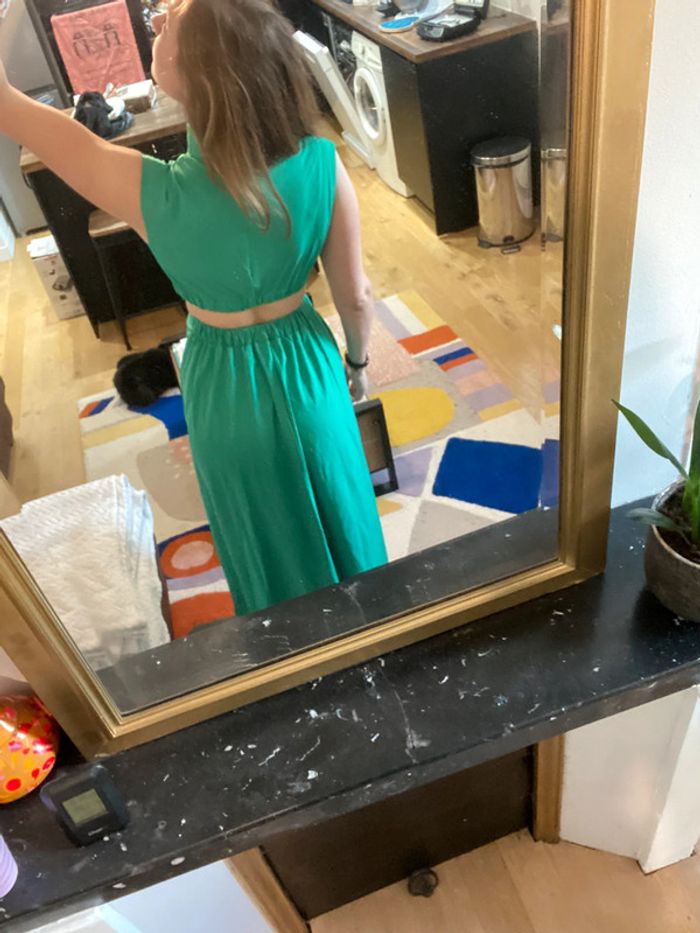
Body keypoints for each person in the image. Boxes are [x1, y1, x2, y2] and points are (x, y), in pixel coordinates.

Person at [0, 0, 387, 616]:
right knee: (343, 514)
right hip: (309, 368)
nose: (156, 20)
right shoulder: (322, 161)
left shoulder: (150, 189)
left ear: (194, 67)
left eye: (171, 16)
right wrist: (359, 366)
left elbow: (9, 107)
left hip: (219, 381)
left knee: (258, 538)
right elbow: (356, 296)